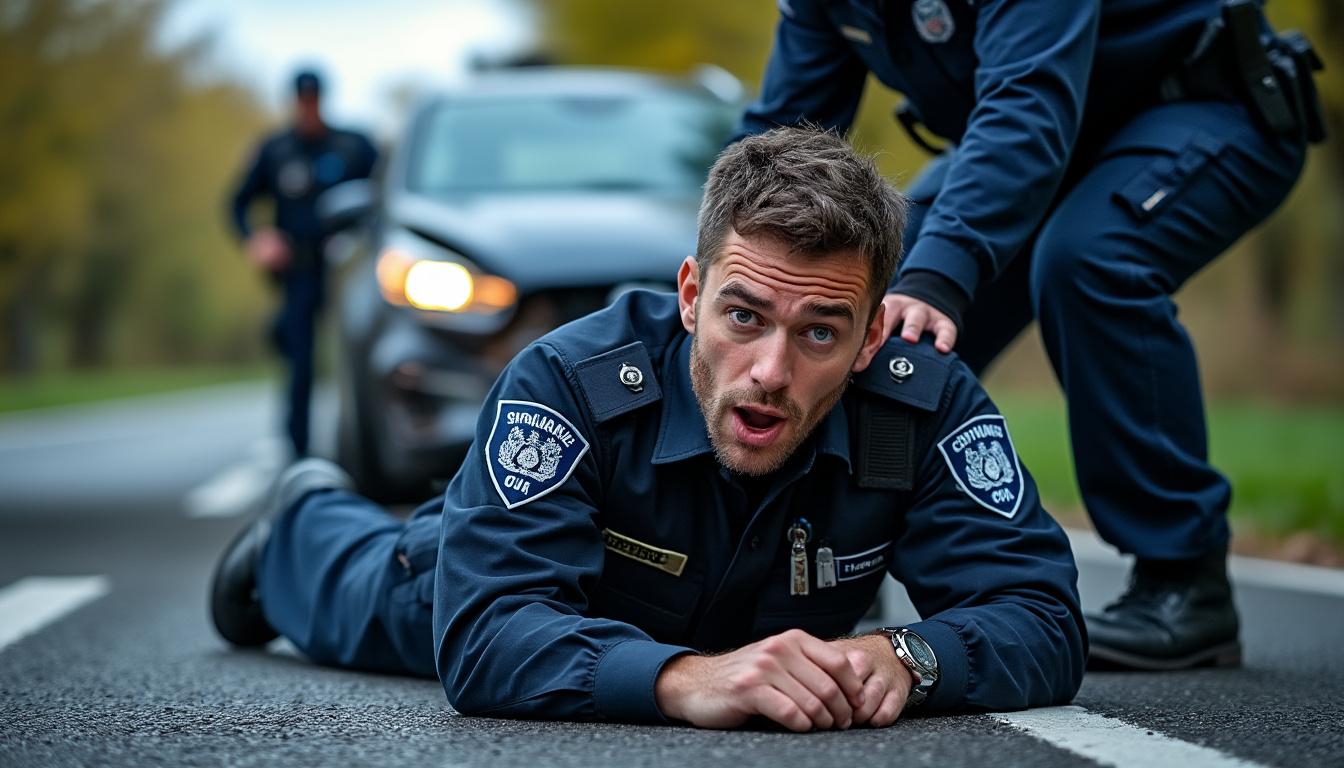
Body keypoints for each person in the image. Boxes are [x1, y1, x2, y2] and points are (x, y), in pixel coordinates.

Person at [211, 128, 1085, 730]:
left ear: (869, 339)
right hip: (527, 593)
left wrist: (907, 657)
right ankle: (300, 522)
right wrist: (683, 679)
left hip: (749, 617)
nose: (772, 371)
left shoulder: (924, 406)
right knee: (382, 591)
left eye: (820, 331)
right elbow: (484, 635)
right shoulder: (569, 382)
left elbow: (1043, 618)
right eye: (743, 317)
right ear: (690, 295)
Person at [735, 0, 1324, 671]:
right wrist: (724, 259)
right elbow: (784, 140)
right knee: (869, 296)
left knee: (1090, 260)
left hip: (1202, 106)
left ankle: (1183, 579)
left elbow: (1026, 109)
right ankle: (833, 565)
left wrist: (938, 279)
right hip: (1049, 135)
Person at [228, 69, 379, 458]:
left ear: (323, 100)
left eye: (314, 99)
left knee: (359, 354)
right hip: (297, 271)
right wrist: (257, 238)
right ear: (294, 102)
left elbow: (384, 193)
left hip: (348, 269)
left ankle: (363, 448)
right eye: (302, 100)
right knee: (300, 361)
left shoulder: (353, 146)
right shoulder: (276, 150)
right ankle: (298, 452)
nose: (308, 107)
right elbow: (238, 203)